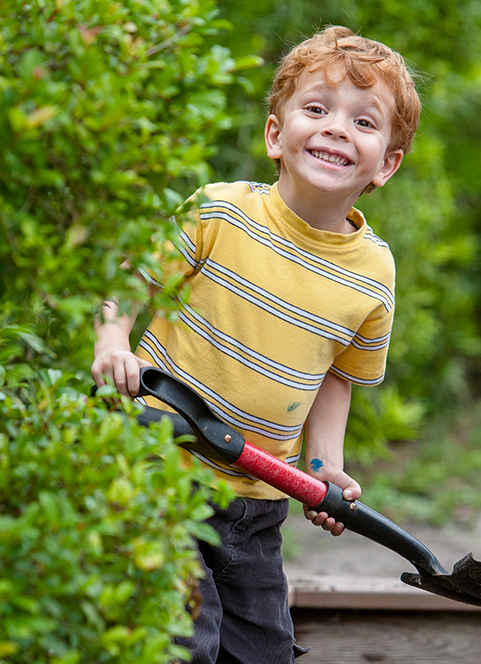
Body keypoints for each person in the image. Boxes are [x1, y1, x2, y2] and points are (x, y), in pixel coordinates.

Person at [92, 25, 421, 664]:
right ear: (276, 133)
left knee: (262, 652)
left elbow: (338, 375)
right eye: (316, 109)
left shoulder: (373, 273)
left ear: (386, 163)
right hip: (164, 471)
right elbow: (129, 281)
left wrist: (324, 467)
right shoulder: (219, 214)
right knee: (183, 638)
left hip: (258, 502)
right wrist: (113, 338)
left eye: (363, 120)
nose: (335, 128)